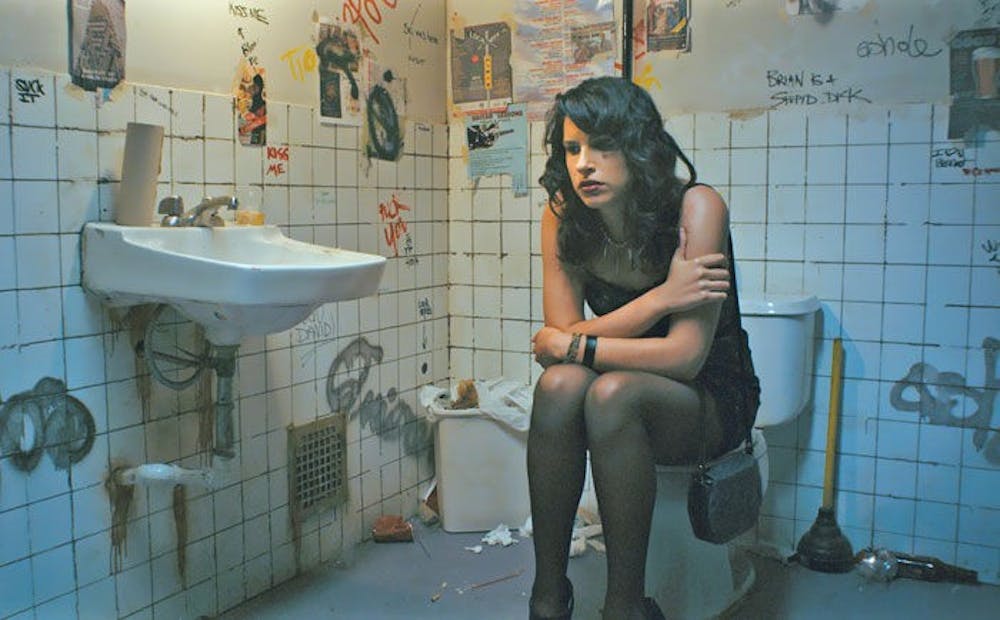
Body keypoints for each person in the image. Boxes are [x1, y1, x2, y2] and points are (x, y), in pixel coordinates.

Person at [527, 77, 760, 619]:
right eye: (572, 148)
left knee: (611, 394)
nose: (584, 164)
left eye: (602, 145)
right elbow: (561, 341)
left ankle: (623, 607)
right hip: (621, 387)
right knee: (559, 385)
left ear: (638, 145)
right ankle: (547, 597)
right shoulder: (563, 215)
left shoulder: (697, 209)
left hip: (707, 396)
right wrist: (660, 299)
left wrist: (576, 346)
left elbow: (684, 356)